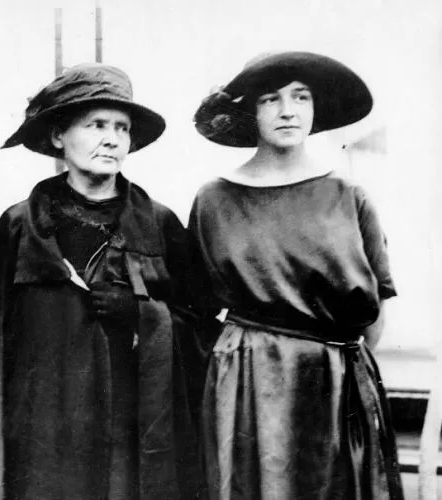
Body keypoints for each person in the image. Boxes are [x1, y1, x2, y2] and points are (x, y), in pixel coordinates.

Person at [0, 62, 203, 500]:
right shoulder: (22, 225)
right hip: (44, 426)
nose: (111, 139)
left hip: (132, 424)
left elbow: (203, 331)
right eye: (96, 125)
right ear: (59, 136)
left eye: (122, 128)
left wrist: (145, 315)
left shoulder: (160, 223)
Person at [189, 51, 404, 499]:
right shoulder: (214, 200)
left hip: (334, 378)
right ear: (249, 111)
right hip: (250, 381)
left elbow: (376, 309)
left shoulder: (349, 195)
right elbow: (197, 306)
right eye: (270, 99)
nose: (288, 111)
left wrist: (331, 362)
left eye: (300, 97)